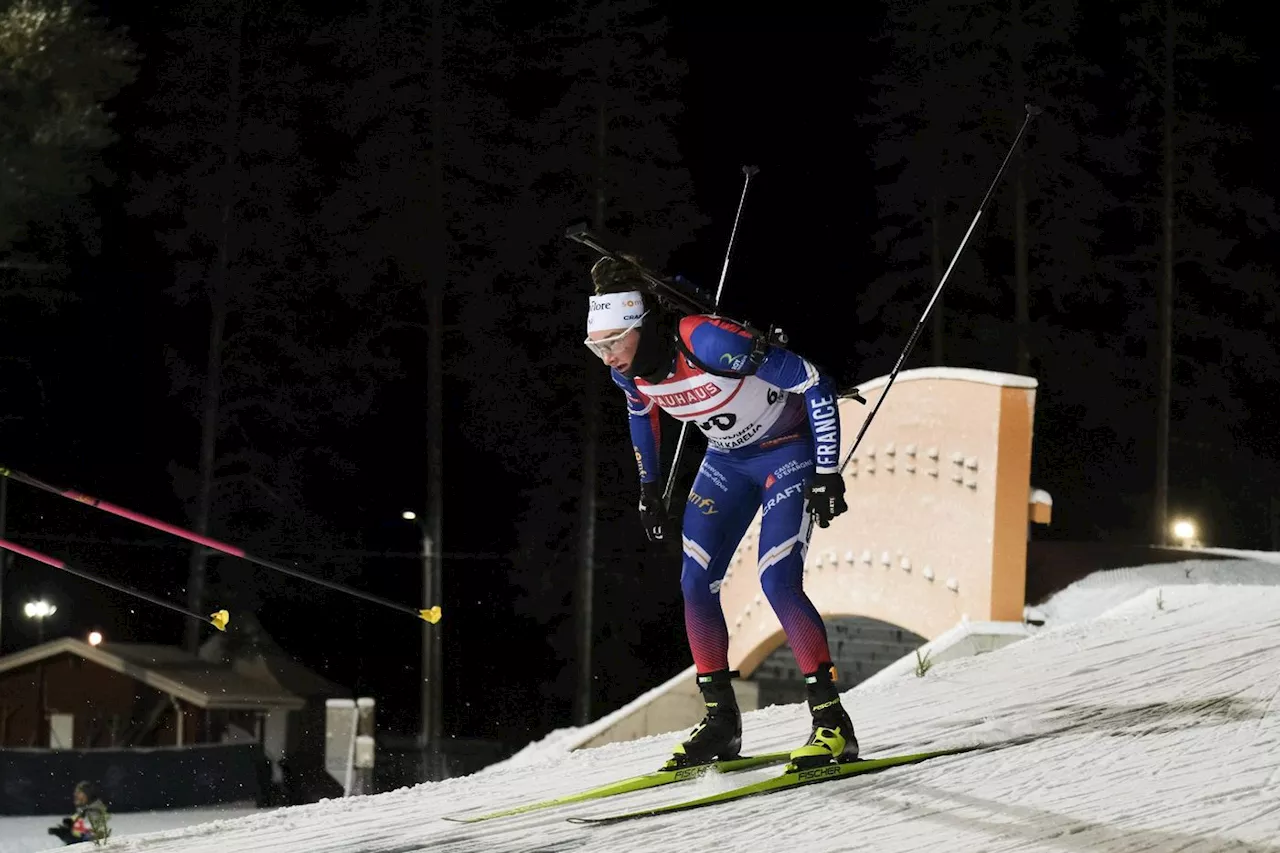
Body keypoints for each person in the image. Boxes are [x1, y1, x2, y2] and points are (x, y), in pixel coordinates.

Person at [584, 255, 856, 772]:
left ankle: (831, 724)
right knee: (694, 582)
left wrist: (826, 472)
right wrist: (649, 487)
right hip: (728, 462)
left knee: (777, 579)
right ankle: (721, 724)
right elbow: (640, 411)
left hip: (787, 450)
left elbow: (813, 381)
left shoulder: (707, 340)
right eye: (596, 346)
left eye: (614, 342)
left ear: (640, 327)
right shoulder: (627, 370)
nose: (607, 357)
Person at [47, 780, 110, 845]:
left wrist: (72, 838)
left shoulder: (94, 813)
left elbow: (96, 839)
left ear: (88, 794)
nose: (75, 794)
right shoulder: (81, 813)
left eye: (79, 792)